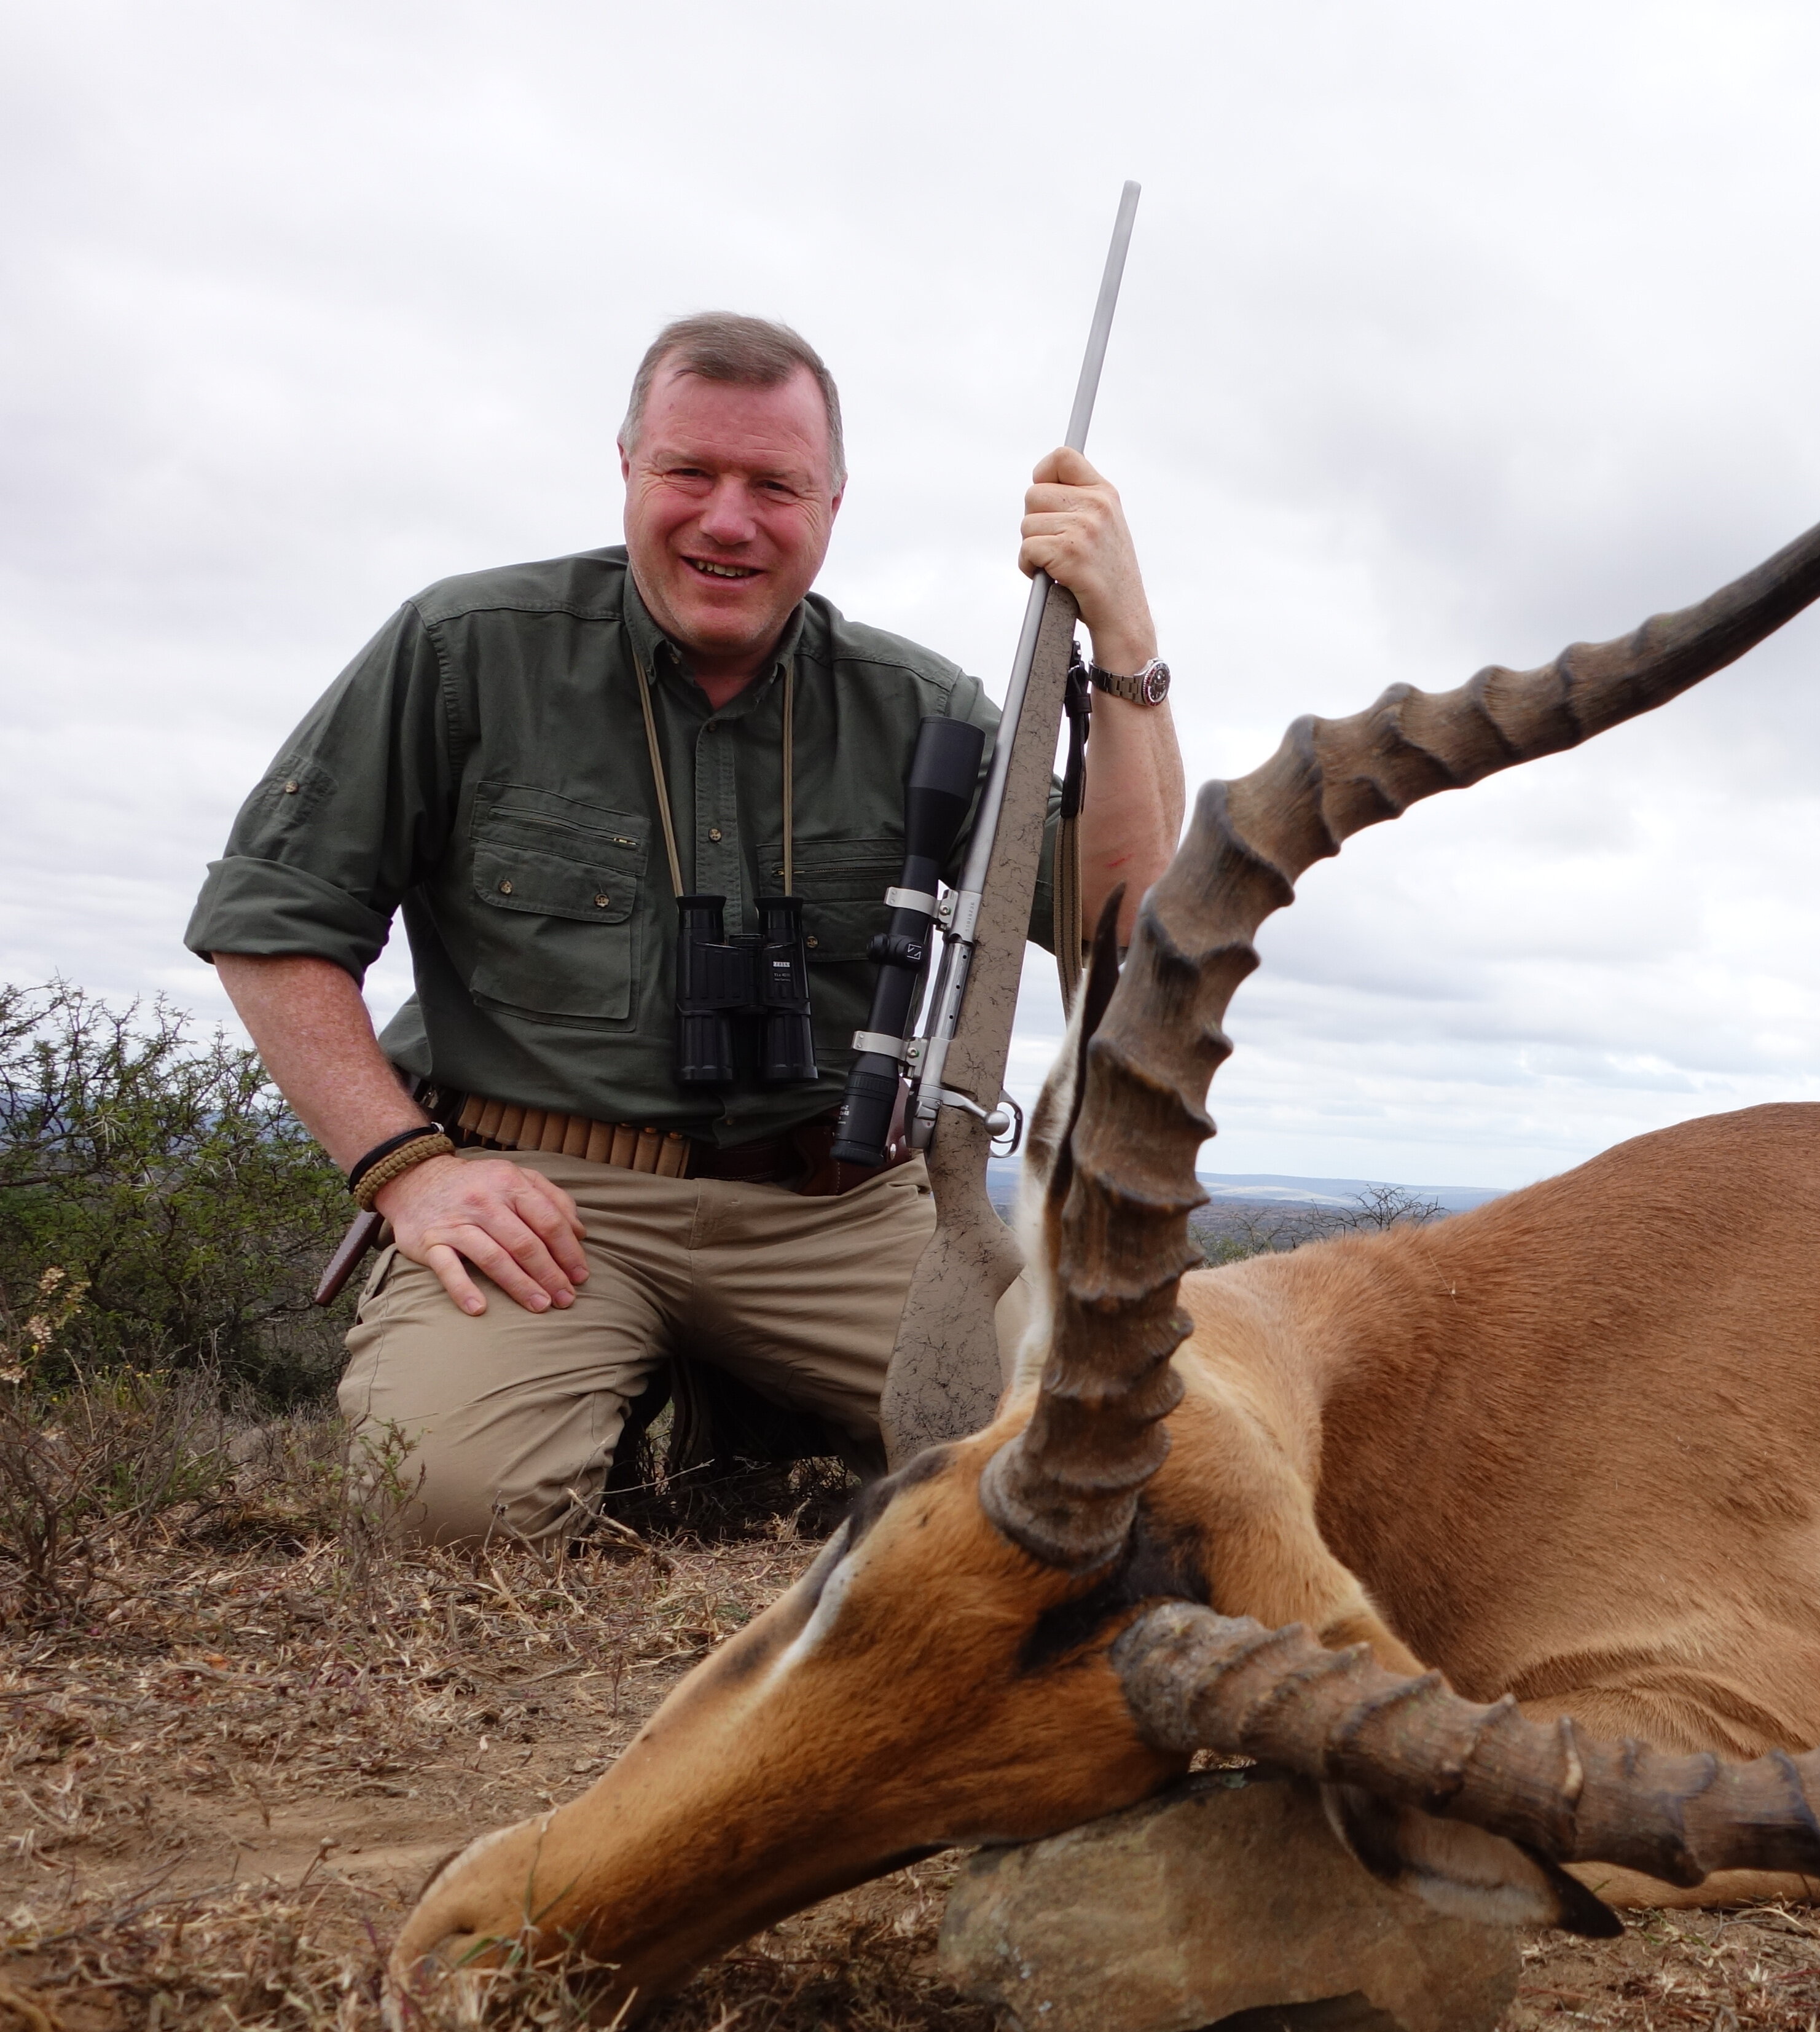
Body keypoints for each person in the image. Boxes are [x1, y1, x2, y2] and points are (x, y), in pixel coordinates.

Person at [185, 313, 1183, 1544]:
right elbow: (272, 925)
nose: (728, 519)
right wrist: (410, 1172)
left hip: (841, 1206)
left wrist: (1127, 645)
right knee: (449, 1514)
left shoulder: (926, 708)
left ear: (832, 502)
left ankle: (747, 1397)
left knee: (1121, 1463)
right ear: (627, 470)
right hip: (549, 1197)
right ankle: (646, 1374)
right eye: (690, 474)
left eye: (775, 485)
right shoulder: (463, 649)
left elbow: (1123, 924)